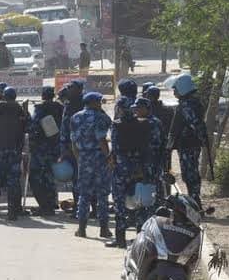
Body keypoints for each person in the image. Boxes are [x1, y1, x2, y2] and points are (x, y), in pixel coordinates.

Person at [105, 97, 156, 248]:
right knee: (140, 202)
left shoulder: (116, 125)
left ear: (120, 109)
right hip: (139, 168)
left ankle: (120, 239)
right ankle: (141, 239)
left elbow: (115, 148)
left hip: (121, 169)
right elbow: (147, 147)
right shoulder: (144, 124)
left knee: (120, 203)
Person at [0, 87, 28, 221]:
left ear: (4, 96)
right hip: (14, 151)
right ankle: (12, 212)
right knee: (13, 182)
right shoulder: (20, 110)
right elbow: (26, 129)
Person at [70, 92, 112, 239]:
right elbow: (102, 140)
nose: (101, 104)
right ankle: (104, 229)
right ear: (94, 102)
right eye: (99, 102)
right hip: (99, 157)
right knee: (102, 194)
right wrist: (109, 157)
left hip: (83, 157)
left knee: (84, 194)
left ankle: (81, 229)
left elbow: (73, 143)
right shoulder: (101, 117)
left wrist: (79, 159)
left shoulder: (75, 117)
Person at [168, 74, 207, 209]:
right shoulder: (193, 103)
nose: (174, 92)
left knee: (190, 173)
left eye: (175, 89)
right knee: (191, 172)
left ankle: (195, 201)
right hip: (190, 144)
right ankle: (194, 199)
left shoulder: (186, 106)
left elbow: (195, 124)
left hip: (188, 144)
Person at [28, 87, 64, 216]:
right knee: (50, 176)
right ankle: (52, 202)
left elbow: (33, 126)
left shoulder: (40, 108)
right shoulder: (60, 108)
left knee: (37, 177)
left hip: (41, 148)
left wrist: (31, 142)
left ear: (43, 96)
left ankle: (45, 206)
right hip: (55, 146)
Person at [58, 80, 84, 211]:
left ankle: (80, 208)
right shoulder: (74, 102)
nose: (68, 91)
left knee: (79, 178)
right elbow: (60, 95)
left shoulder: (77, 105)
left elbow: (67, 130)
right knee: (79, 178)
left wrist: (65, 149)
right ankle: (82, 207)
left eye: (70, 88)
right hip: (76, 146)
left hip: (77, 147)